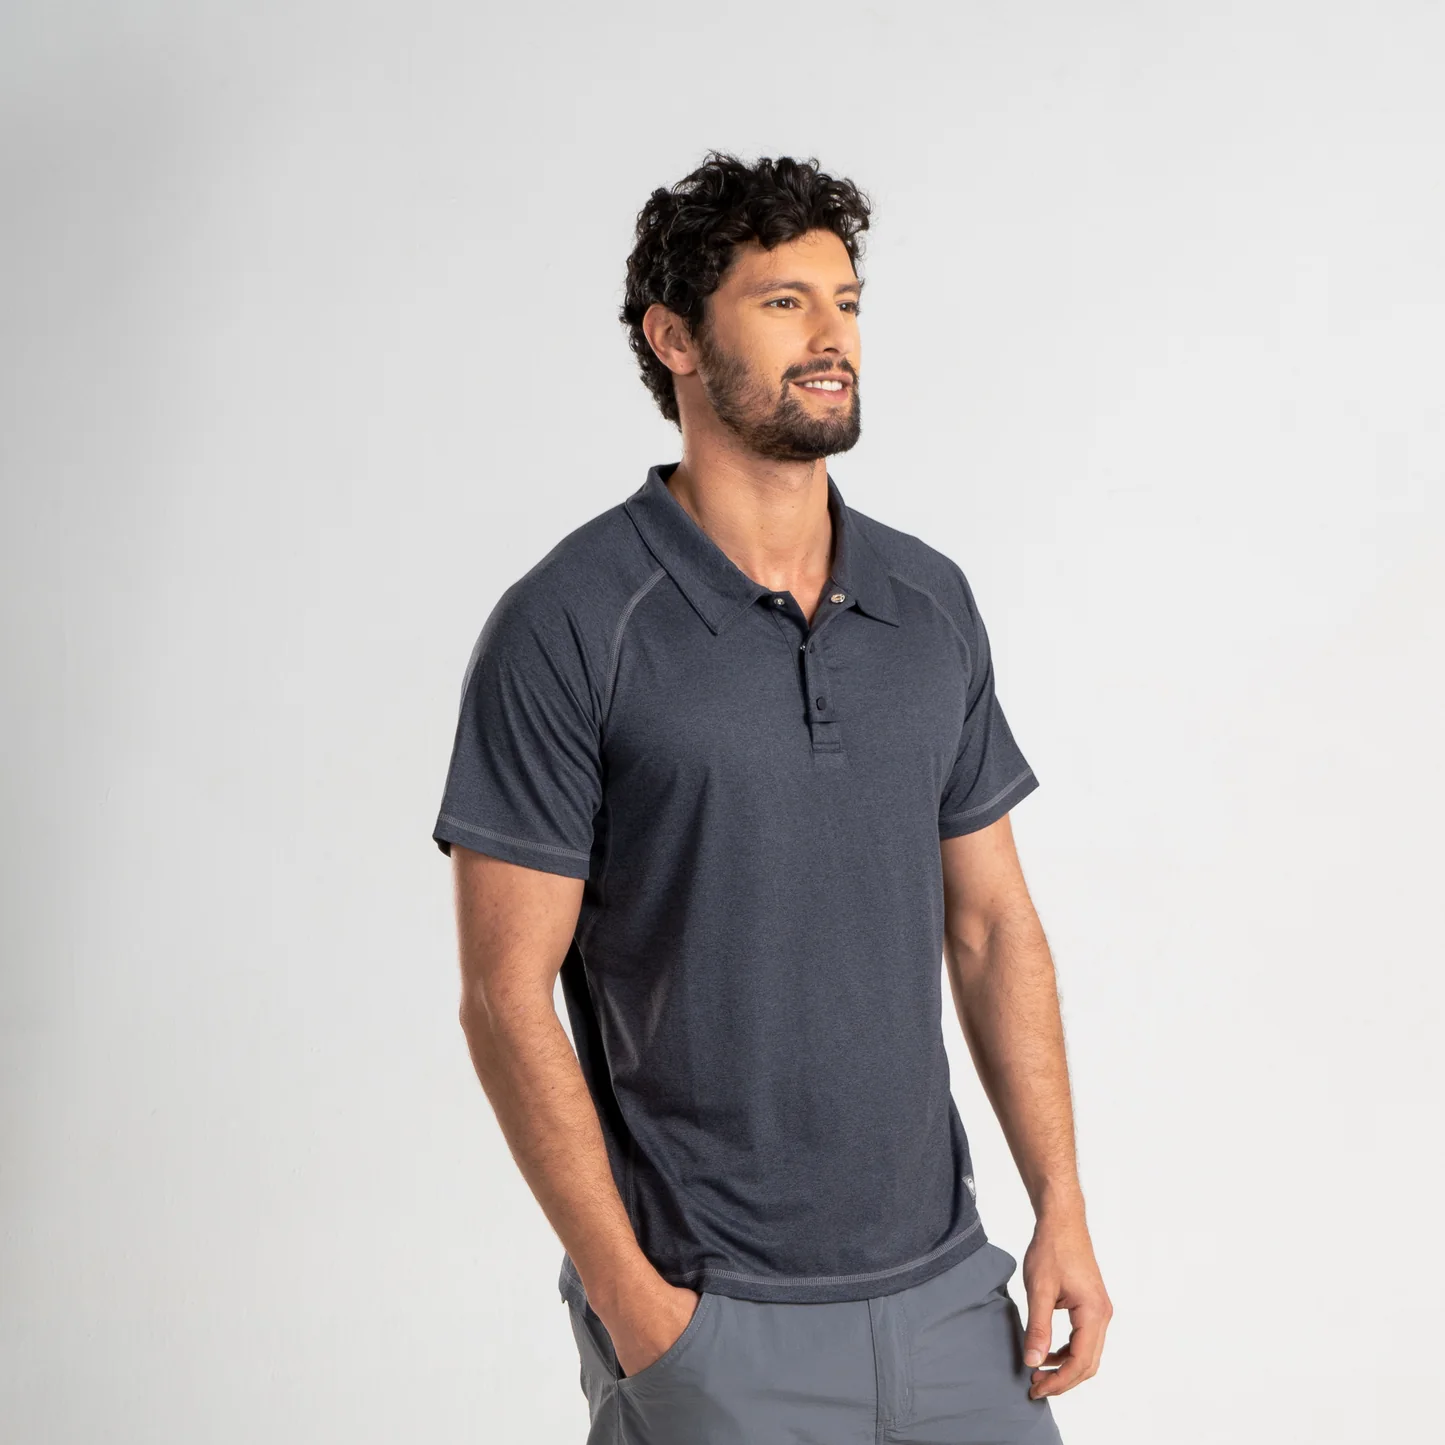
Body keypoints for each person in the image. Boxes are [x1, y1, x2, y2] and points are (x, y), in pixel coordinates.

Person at [432, 150, 1111, 1443]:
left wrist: (1060, 1207)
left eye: (845, 301)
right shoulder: (571, 623)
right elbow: (505, 993)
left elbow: (990, 927)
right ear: (675, 338)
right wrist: (640, 1311)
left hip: (955, 1300)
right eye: (783, 301)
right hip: (709, 1316)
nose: (831, 336)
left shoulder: (927, 602)